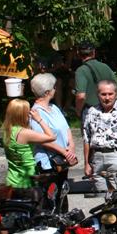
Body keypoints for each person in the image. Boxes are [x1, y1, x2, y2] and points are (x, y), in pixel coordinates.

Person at [30, 73, 78, 208]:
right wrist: (65, 152)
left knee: (63, 193)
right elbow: (42, 140)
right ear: (47, 92)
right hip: (49, 161)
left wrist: (72, 145)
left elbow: (66, 128)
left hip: (62, 159)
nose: (55, 90)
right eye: (54, 87)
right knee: (51, 198)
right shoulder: (35, 113)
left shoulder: (54, 108)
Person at [83, 80, 117, 193]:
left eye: (110, 94)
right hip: (97, 158)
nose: (107, 98)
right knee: (103, 196)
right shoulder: (91, 111)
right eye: (103, 94)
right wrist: (87, 164)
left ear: (116, 94)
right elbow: (87, 139)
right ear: (98, 94)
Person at [2, 99, 56, 199]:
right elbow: (51, 137)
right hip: (27, 183)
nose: (30, 115)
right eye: (28, 113)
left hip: (12, 181)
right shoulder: (24, 133)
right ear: (21, 115)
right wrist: (39, 119)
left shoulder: (7, 131)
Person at [74, 43, 116, 118]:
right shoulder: (106, 67)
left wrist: (78, 111)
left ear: (78, 54)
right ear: (93, 53)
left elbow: (81, 96)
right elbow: (116, 89)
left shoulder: (81, 70)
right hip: (108, 111)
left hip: (90, 112)